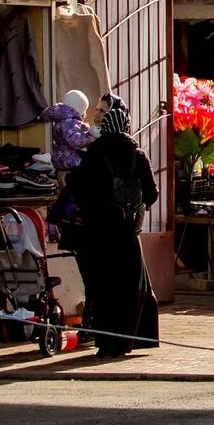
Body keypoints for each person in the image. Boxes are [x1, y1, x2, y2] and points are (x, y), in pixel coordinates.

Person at [66, 93, 160, 358]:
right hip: (128, 233)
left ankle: (107, 343)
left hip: (98, 234)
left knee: (104, 288)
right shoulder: (137, 155)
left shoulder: (93, 155)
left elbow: (81, 193)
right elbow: (152, 193)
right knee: (132, 288)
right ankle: (131, 341)